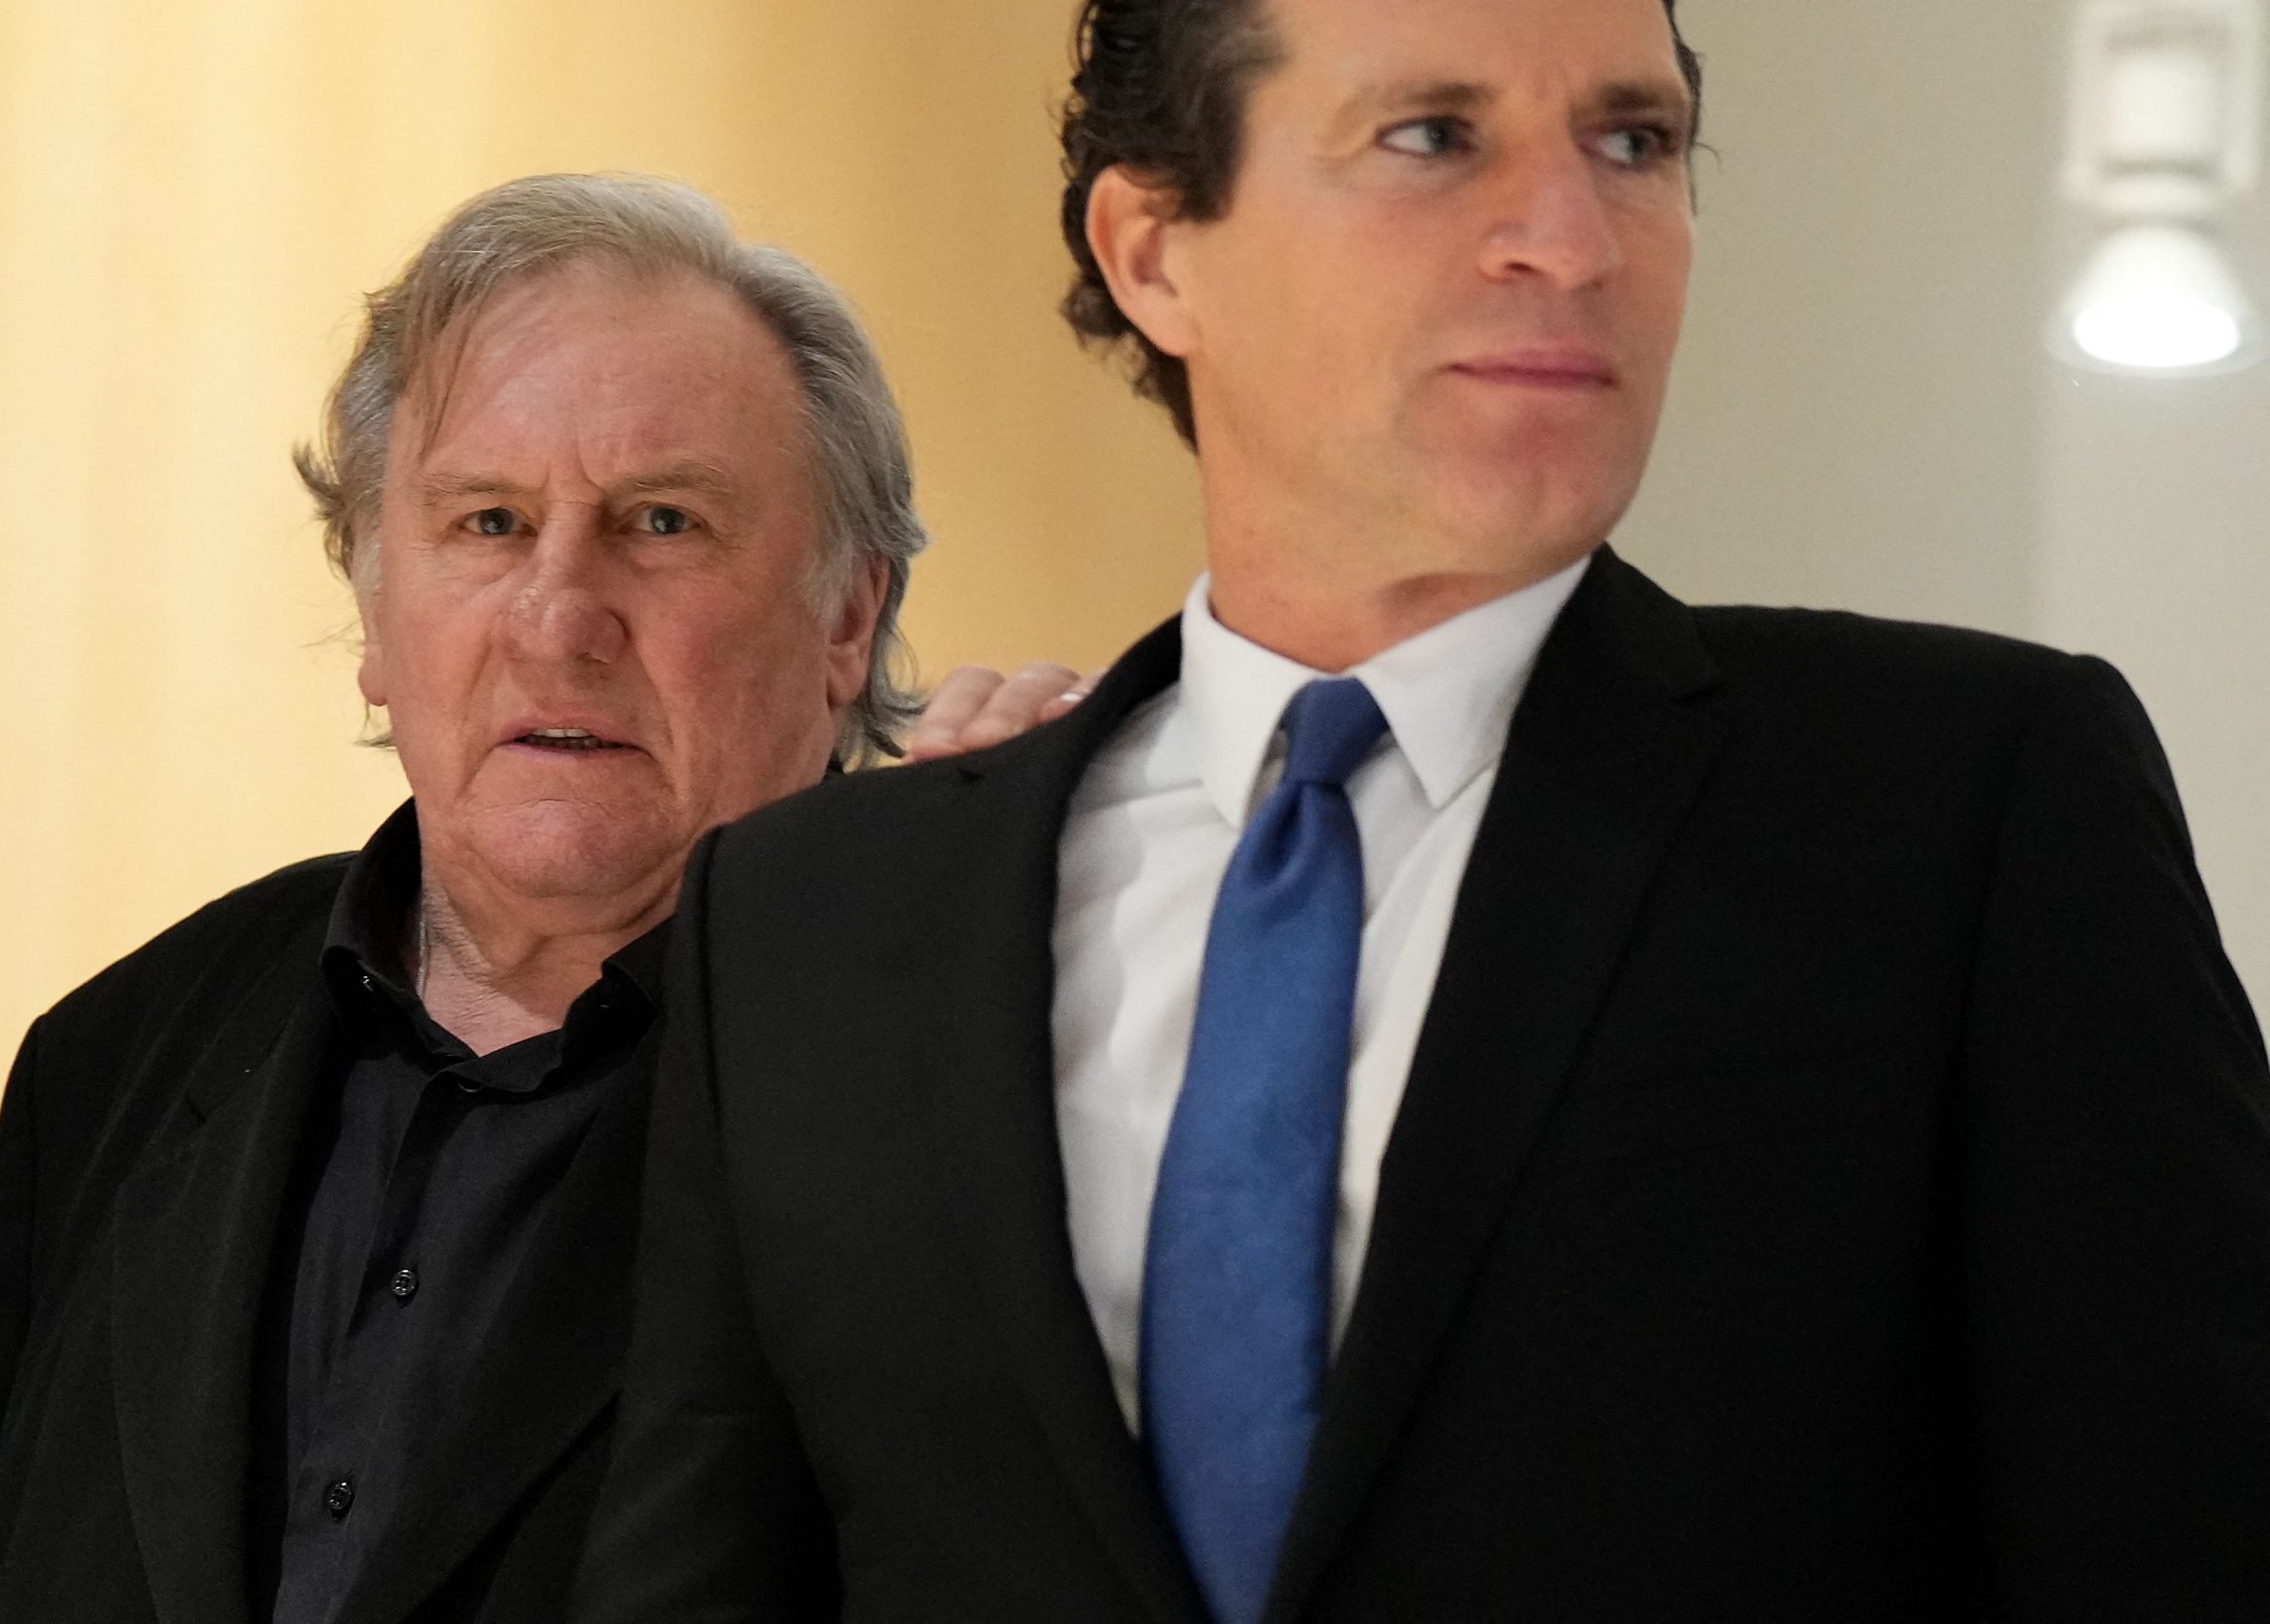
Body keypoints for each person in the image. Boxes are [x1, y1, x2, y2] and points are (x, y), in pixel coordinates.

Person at [571, 0, 2270, 1619]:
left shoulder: (1963, 811)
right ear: (1154, 250)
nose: (1575, 241)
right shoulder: (807, 927)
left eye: (1633, 140)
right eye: (1435, 136)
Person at [0, 172, 1078, 1624]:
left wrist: (1062, 968)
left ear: (848, 615)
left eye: (662, 522)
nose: (559, 620)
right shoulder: (124, 1051)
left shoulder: (974, 1055)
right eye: (488, 522)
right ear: (373, 608)